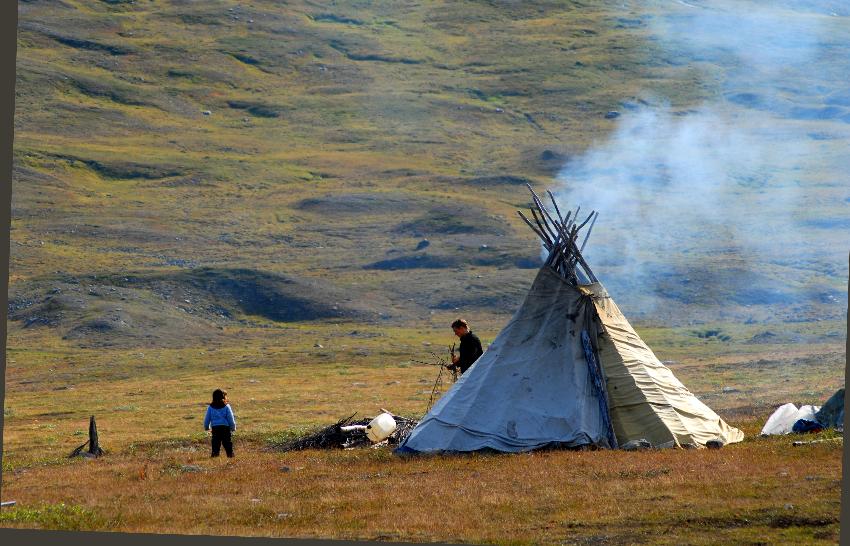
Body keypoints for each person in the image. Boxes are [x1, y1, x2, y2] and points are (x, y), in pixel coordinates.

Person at [203, 388, 236, 458]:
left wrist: (206, 427)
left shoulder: (210, 407)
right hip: (225, 428)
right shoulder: (227, 406)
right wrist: (233, 427)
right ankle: (230, 455)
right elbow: (230, 418)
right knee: (227, 443)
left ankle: (215, 455)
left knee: (215, 443)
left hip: (215, 428)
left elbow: (207, 419)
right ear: (223, 397)